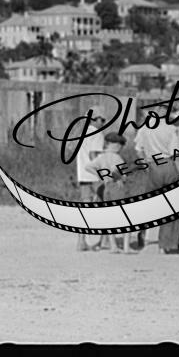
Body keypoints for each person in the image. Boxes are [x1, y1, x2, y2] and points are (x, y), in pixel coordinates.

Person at [134, 112, 179, 255]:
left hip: (153, 166)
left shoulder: (144, 129)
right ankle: (168, 243)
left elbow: (138, 150)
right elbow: (175, 155)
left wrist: (146, 166)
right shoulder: (171, 129)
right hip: (168, 165)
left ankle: (147, 237)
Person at [84, 133, 135, 254]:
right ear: (115, 145)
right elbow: (115, 170)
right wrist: (119, 178)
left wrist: (101, 176)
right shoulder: (117, 157)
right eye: (120, 145)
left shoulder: (101, 157)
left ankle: (113, 246)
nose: (120, 148)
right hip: (118, 188)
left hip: (107, 188)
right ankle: (126, 247)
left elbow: (88, 167)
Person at [75, 106, 106, 252]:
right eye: (102, 120)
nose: (103, 123)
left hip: (83, 174)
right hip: (94, 175)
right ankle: (103, 241)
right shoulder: (97, 134)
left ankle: (81, 241)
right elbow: (94, 155)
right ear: (96, 119)